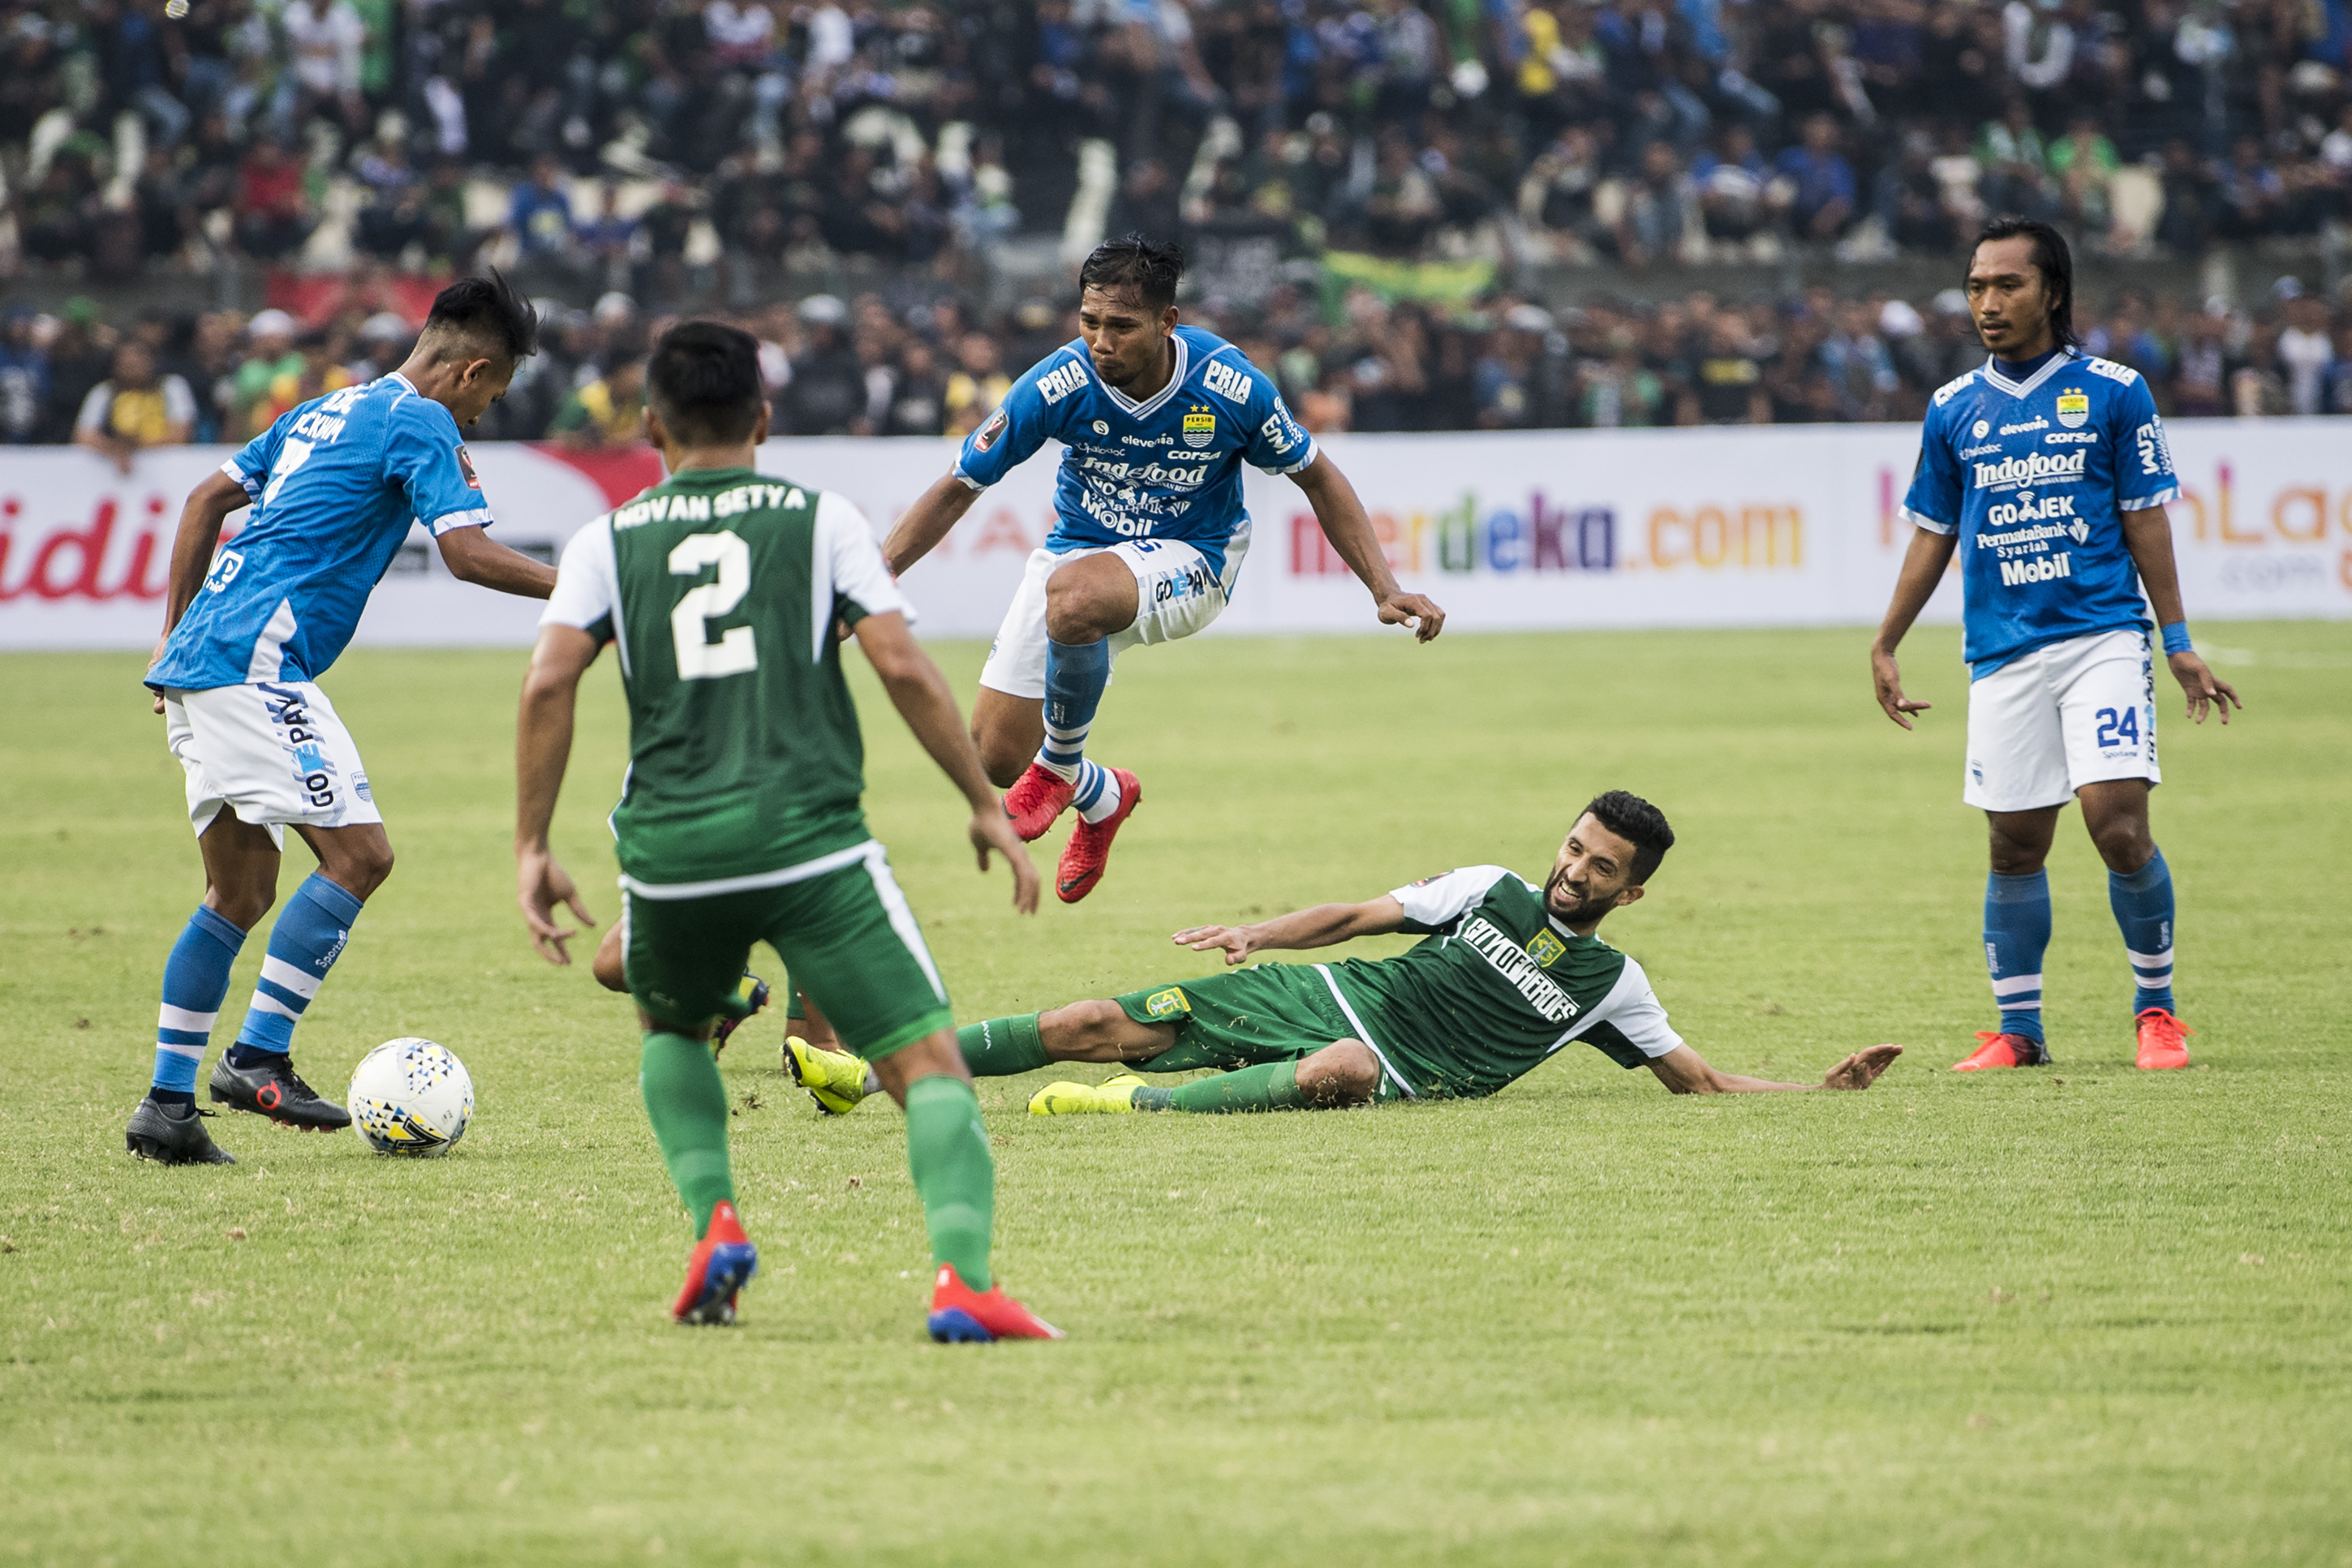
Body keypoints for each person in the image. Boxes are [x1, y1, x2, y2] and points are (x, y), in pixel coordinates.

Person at [513, 320, 1060, 1342]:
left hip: (670, 850)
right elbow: (899, 664)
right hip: (810, 844)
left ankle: (716, 1225)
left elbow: (549, 680)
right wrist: (984, 802)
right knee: (929, 1067)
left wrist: (532, 845)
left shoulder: (606, 540)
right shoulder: (821, 521)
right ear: (764, 418)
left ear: (650, 427)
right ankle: (963, 1283)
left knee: (673, 1033)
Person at [126, 273, 557, 1166]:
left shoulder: (327, 408)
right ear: (472, 370)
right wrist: (591, 587)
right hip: (257, 657)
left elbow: (206, 498)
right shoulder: (422, 421)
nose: (481, 417)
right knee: (361, 855)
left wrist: (172, 637)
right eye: (493, 396)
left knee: (239, 891)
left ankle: (168, 1105)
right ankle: (258, 1056)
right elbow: (468, 555)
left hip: (204, 656)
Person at [880, 235, 1447, 904]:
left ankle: (1061, 769)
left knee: (1074, 598)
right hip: (1080, 556)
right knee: (997, 758)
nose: (1099, 341)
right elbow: (957, 485)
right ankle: (1103, 794)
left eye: (1120, 326)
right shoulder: (1055, 384)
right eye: (1089, 322)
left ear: (1166, 322)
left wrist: (1383, 588)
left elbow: (1317, 477)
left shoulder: (1229, 385)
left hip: (1196, 558)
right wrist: (871, 582)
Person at [778, 791, 1903, 1116]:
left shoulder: (1614, 985)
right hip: (1311, 991)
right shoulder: (1487, 889)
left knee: (1347, 1076)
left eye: (1602, 867)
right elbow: (1362, 915)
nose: (1575, 871)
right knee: (1088, 1015)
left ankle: (1122, 1107)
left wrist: (1816, 1086)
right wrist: (1259, 932)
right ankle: (867, 1073)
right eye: (1575, 846)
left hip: (1385, 1064)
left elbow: (1695, 1080)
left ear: (1632, 889)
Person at [1869, 218, 2242, 1075]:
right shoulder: (1953, 408)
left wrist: (2176, 639)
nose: (1988, 303)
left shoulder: (2115, 391)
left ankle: (2157, 1012)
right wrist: (1887, 640)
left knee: (2116, 823)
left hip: (2101, 637)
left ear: (2054, 292)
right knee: (2013, 843)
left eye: (2007, 285)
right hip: (2000, 652)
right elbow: (1933, 532)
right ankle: (2020, 1031)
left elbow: (2144, 517)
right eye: (1976, 287)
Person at [74, 340, 196, 475]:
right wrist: (114, 448)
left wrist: (134, 445)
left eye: (137, 363)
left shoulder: (171, 387)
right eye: (126, 365)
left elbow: (180, 436)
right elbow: (83, 436)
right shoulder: (105, 392)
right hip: (119, 469)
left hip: (170, 469)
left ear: (151, 362)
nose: (131, 369)